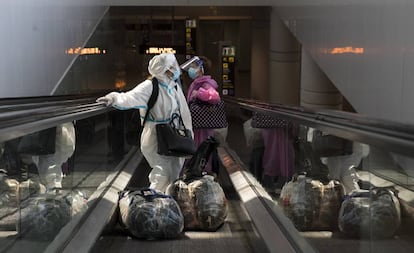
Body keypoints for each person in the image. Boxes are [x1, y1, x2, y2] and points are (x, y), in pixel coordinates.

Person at [97, 53, 193, 193]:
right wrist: (113, 98)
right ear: (163, 69)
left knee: (173, 173)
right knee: (161, 173)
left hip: (174, 135)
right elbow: (130, 97)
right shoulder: (150, 86)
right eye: (171, 67)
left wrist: (188, 134)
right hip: (156, 135)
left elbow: (184, 112)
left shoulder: (173, 87)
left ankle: (169, 205)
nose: (175, 69)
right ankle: (155, 205)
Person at [185, 56, 224, 175]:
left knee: (202, 147)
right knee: (199, 147)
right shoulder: (197, 83)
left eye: (193, 67)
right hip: (198, 124)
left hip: (202, 125)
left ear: (200, 69)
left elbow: (215, 96)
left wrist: (199, 93)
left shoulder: (205, 83)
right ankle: (196, 171)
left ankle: (202, 172)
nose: (191, 70)